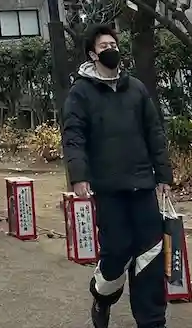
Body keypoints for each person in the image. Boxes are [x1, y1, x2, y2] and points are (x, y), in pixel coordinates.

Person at [62, 25, 174, 328]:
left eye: (114, 44)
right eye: (104, 46)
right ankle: (103, 294)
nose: (111, 49)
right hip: (108, 188)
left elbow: (154, 132)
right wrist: (79, 176)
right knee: (117, 251)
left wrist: (163, 175)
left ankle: (152, 321)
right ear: (92, 54)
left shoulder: (135, 88)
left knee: (150, 253)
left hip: (142, 184)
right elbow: (73, 136)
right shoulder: (81, 93)